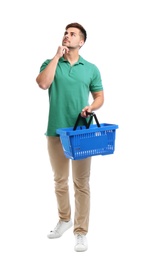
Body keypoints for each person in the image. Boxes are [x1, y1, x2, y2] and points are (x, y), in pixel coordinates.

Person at [36, 22, 104, 252]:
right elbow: (43, 83)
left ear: (81, 42)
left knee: (81, 183)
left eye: (72, 34)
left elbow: (99, 97)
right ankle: (65, 220)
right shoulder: (51, 63)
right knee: (59, 180)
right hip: (56, 131)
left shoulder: (91, 68)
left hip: (81, 133)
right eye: (65, 33)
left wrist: (91, 107)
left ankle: (81, 231)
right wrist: (56, 57)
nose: (67, 36)